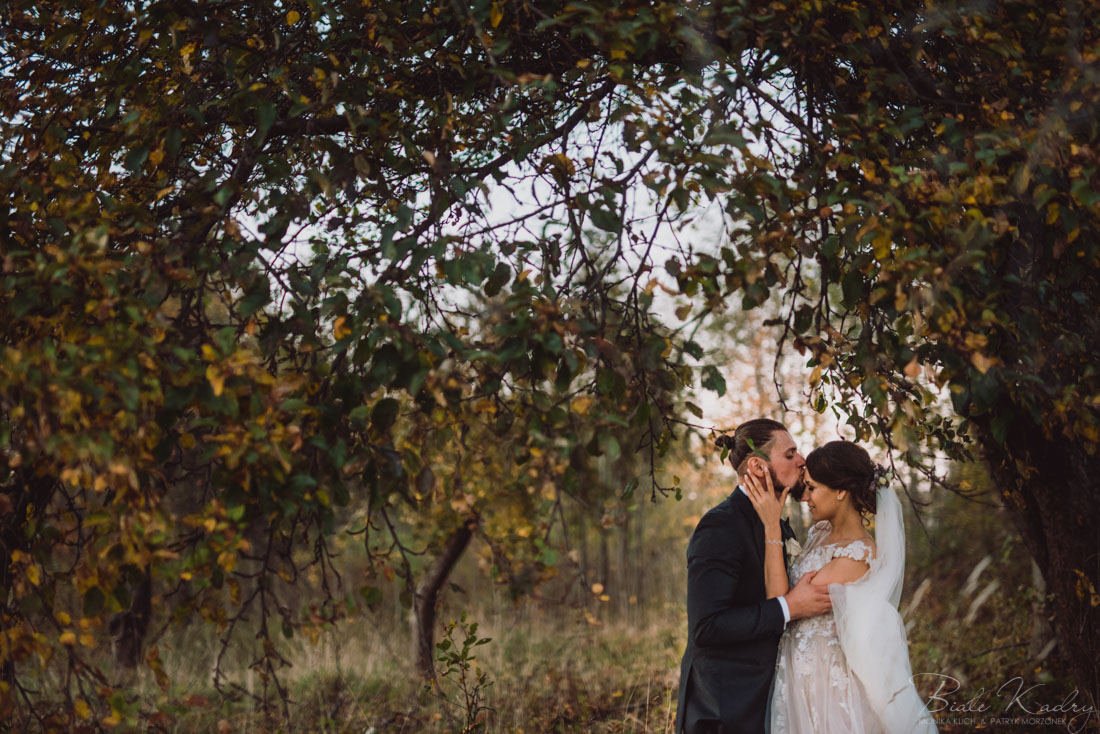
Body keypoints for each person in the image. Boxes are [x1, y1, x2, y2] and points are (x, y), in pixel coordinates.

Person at [743, 440, 938, 733]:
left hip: (827, 683)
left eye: (812, 488)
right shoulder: (818, 533)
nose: (805, 497)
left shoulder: (858, 555)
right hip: (798, 672)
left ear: (840, 491)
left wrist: (772, 524)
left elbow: (780, 600)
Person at [676, 419, 832, 734]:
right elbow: (707, 627)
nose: (801, 460)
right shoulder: (720, 526)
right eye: (790, 454)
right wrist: (789, 607)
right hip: (724, 708)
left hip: (767, 699)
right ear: (759, 467)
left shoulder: (778, 524)